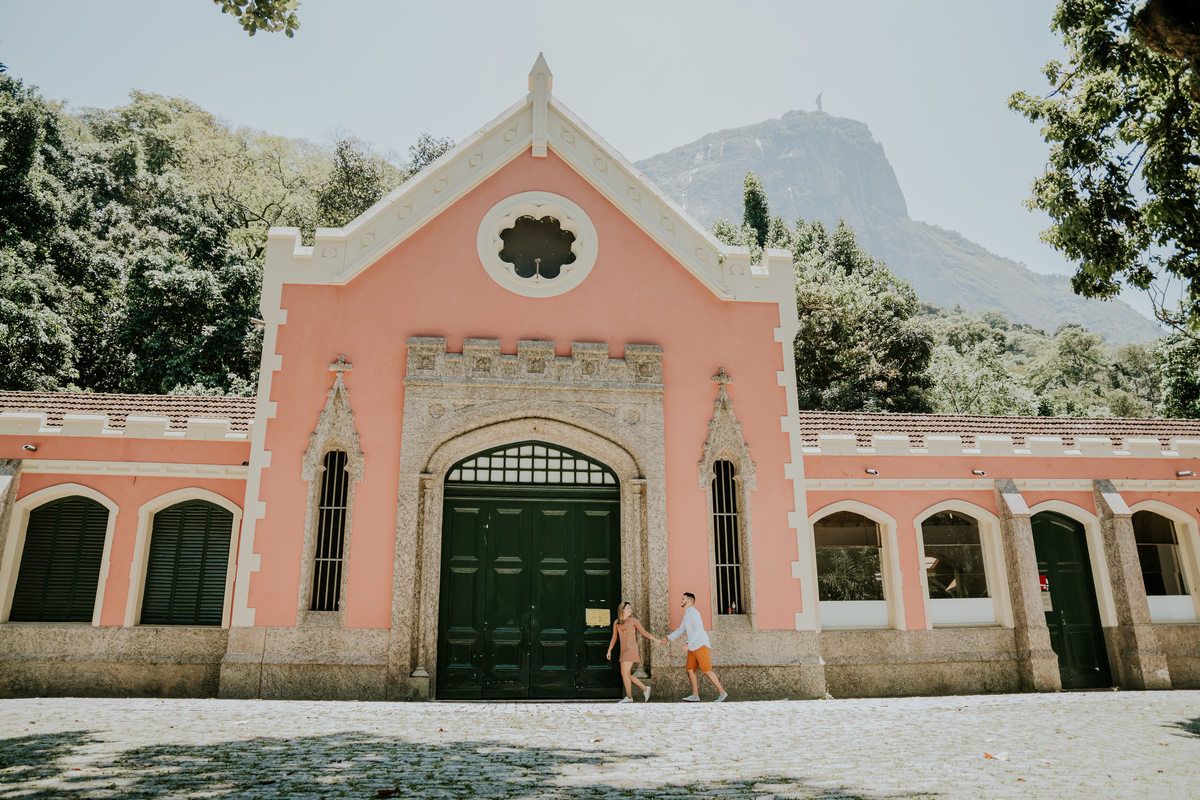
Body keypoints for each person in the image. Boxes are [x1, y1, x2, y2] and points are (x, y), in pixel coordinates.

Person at [664, 592, 727, 702]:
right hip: (692, 647)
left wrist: (688, 643)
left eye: (683, 599)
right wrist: (667, 638)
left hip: (701, 645)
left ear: (689, 601)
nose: (681, 601)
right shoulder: (687, 615)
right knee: (690, 669)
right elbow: (680, 629)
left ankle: (722, 692)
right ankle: (695, 695)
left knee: (707, 670)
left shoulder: (694, 613)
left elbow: (698, 629)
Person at [606, 601, 658, 703]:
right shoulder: (616, 623)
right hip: (623, 650)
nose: (630, 610)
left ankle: (629, 697)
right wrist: (609, 650)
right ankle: (644, 688)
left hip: (631, 649)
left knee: (624, 673)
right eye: (628, 608)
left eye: (630, 608)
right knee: (626, 674)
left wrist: (656, 640)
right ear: (622, 610)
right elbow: (614, 638)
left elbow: (643, 632)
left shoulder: (634, 621)